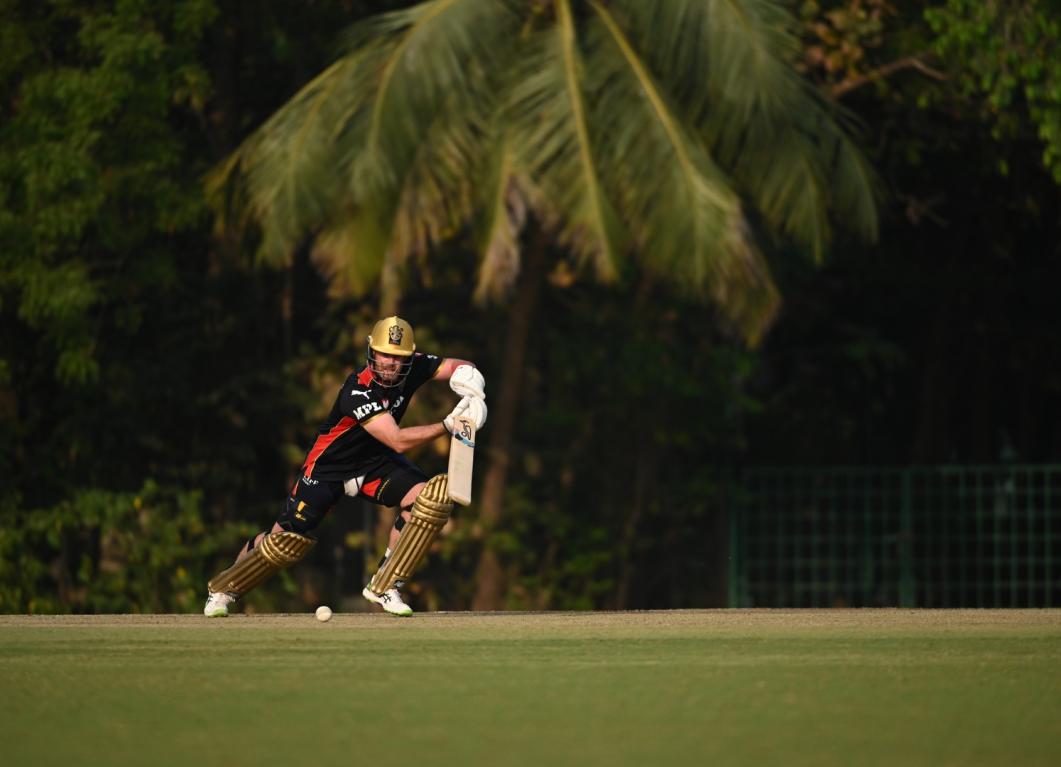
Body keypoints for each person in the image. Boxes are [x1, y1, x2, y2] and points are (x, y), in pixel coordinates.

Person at [203, 316, 487, 618]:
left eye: (398, 357)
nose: (391, 363)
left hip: (374, 464)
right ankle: (223, 589)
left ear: (409, 356)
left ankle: (386, 585)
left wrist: (472, 387)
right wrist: (448, 424)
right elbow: (398, 440)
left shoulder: (413, 366)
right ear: (372, 352)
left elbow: (458, 366)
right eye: (385, 355)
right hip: (328, 470)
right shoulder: (357, 390)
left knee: (428, 499)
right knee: (283, 541)